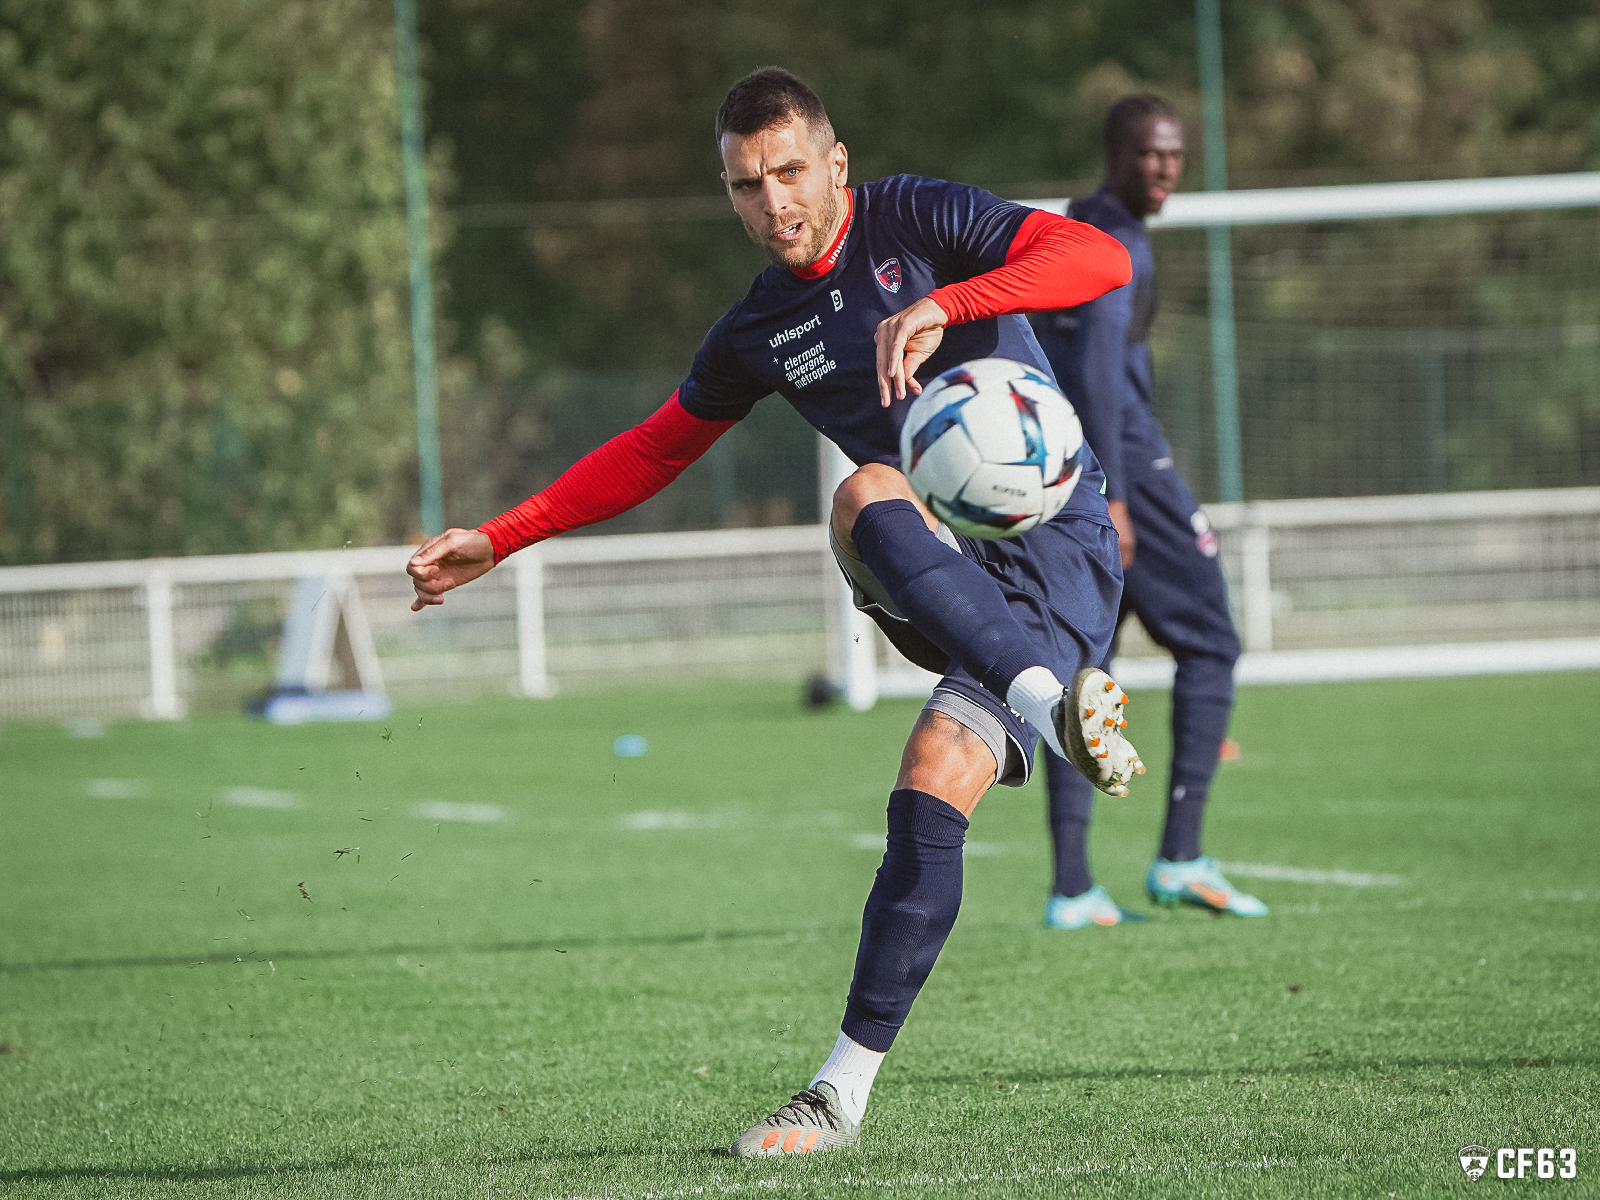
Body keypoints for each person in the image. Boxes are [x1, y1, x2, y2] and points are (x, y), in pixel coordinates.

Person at [408, 67, 1143, 1157]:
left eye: (789, 172)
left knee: (932, 763)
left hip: (1060, 547)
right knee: (863, 502)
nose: (773, 203)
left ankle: (838, 1093)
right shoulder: (760, 327)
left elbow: (1098, 257)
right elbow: (654, 447)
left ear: (833, 164)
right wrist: (502, 536)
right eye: (746, 185)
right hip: (948, 568)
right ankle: (1047, 708)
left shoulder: (918, 218)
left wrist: (950, 301)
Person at [1027, 95, 1266, 929]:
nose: (1166, 168)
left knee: (1085, 672)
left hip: (1061, 466)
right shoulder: (1117, 243)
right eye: (1150, 154)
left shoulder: (1068, 225)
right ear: (1115, 153)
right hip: (1122, 462)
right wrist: (1117, 497)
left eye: (1176, 154)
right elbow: (1095, 365)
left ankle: (1072, 889)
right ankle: (1181, 858)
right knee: (1213, 641)